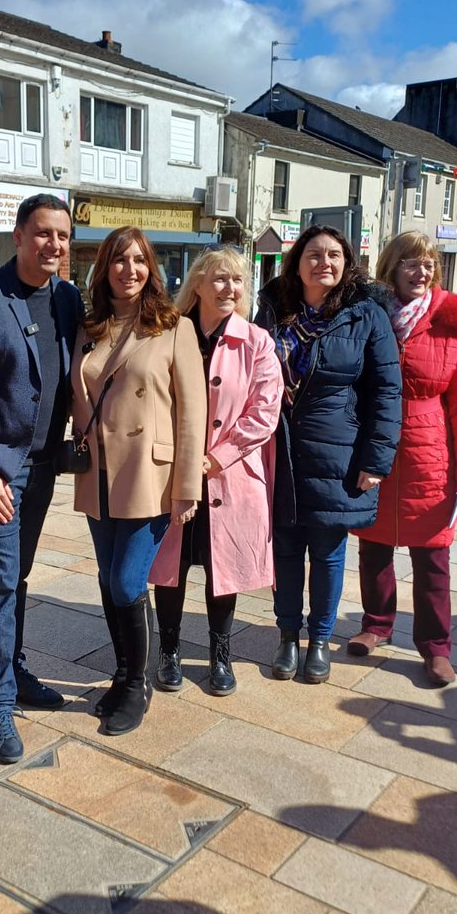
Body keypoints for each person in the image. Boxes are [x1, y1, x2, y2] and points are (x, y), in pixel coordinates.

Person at [0, 194, 84, 763]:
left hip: (47, 462)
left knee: (19, 576)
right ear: (20, 236)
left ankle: (16, 671)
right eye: (44, 233)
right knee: (0, 582)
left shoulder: (69, 298)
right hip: (2, 471)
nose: (54, 245)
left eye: (63, 236)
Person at [73, 226, 206, 736]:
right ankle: (123, 672)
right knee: (109, 581)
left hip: (150, 474)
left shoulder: (174, 327)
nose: (130, 269)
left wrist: (187, 487)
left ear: (152, 269)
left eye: (140, 260)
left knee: (129, 581)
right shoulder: (90, 327)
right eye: (119, 260)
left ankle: (138, 684)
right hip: (99, 472)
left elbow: (194, 412)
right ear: (104, 268)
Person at [255, 225, 401, 684]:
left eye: (335, 255)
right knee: (285, 551)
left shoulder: (365, 315)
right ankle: (286, 636)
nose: (325, 263)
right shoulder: (272, 310)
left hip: (338, 454)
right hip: (278, 450)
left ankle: (319, 640)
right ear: (296, 262)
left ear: (346, 263)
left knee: (328, 552)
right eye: (314, 254)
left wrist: (376, 462)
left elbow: (387, 391)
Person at [350, 232, 457, 684]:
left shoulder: (450, 322)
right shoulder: (370, 315)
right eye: (411, 262)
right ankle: (376, 625)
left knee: (432, 557)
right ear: (391, 267)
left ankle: (435, 647)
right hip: (374, 445)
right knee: (373, 549)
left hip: (430, 453)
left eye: (428, 263)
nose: (421, 271)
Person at [149, 248, 282, 696]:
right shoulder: (170, 332)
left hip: (230, 475)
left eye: (238, 281)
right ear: (199, 285)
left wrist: (213, 459)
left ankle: (219, 654)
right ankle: (167, 650)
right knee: (170, 564)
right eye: (220, 279)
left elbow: (264, 413)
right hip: (172, 472)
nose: (230, 289)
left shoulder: (257, 341)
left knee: (223, 569)